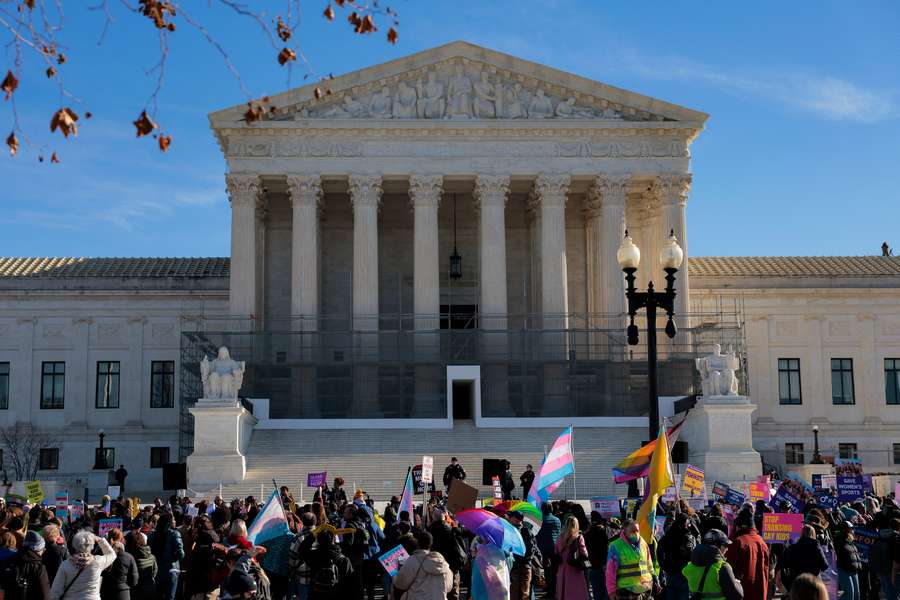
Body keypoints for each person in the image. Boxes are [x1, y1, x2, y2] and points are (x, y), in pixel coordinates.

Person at [50, 531, 117, 600]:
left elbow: (56, 590)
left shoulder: (65, 565)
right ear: (92, 546)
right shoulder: (97, 562)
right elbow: (112, 555)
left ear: (74, 545)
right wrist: (100, 540)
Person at [683, 529, 743, 600]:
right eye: (725, 545)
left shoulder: (689, 566)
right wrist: (737, 582)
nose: (727, 549)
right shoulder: (722, 567)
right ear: (717, 546)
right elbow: (738, 595)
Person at [392, 531, 453, 600]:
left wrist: (394, 575)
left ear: (417, 543)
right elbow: (448, 587)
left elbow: (400, 584)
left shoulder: (412, 560)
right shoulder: (442, 563)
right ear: (431, 543)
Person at [725, 506, 770, 600]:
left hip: (743, 593)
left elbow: (727, 570)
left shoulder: (738, 542)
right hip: (760, 593)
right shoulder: (762, 541)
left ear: (738, 526)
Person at [606, 520, 658, 600]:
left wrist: (655, 578)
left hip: (645, 590)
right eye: (633, 531)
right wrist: (611, 591)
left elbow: (649, 564)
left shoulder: (643, 543)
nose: (636, 533)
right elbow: (610, 571)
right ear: (624, 532)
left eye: (637, 531)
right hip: (626, 591)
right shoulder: (615, 546)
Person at [302, 530, 355, 600]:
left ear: (318, 540)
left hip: (316, 595)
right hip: (337, 595)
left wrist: (313, 535)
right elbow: (351, 584)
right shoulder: (344, 560)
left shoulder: (314, 556)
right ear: (334, 540)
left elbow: (302, 550)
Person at [0, 529, 51, 600]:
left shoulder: (8, 561)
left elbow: (2, 589)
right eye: (43, 549)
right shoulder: (39, 568)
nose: (43, 551)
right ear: (37, 549)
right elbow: (45, 596)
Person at [658, 513, 697, 600]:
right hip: (683, 573)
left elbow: (659, 552)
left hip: (671, 573)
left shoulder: (667, 535)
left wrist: (664, 566)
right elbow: (691, 555)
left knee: (671, 595)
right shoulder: (687, 537)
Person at [147, 512, 185, 600]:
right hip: (171, 570)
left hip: (156, 570)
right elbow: (181, 554)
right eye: (173, 520)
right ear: (169, 523)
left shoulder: (152, 534)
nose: (175, 521)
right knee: (170, 597)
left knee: (158, 596)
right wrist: (173, 556)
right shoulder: (175, 534)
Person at [781, 525, 828, 589]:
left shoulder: (793, 547)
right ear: (813, 534)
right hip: (812, 582)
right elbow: (824, 566)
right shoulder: (816, 546)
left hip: (797, 582)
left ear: (801, 534)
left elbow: (786, 564)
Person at [555, 515, 590, 600]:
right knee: (576, 593)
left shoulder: (560, 537)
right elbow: (584, 553)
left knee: (563, 592)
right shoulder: (578, 537)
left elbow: (556, 552)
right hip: (575, 568)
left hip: (562, 568)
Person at [100, 529, 139, 600]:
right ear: (121, 539)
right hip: (123, 593)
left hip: (106, 592)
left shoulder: (102, 555)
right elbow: (134, 581)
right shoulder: (128, 557)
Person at [507, 511, 535, 600]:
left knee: (514, 594)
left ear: (515, 519)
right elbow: (534, 548)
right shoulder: (528, 530)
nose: (508, 518)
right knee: (525, 594)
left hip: (515, 567)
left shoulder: (510, 532)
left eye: (510, 517)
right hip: (527, 565)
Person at [536, 502, 561, 598]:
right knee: (555, 571)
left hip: (544, 548)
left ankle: (550, 589)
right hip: (555, 548)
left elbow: (538, 534)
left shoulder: (541, 520)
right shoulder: (557, 520)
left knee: (547, 570)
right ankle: (555, 590)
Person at [584, 512, 610, 600]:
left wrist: (588, 566)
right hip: (604, 565)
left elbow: (584, 553)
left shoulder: (586, 535)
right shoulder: (604, 533)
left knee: (596, 591)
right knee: (606, 590)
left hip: (593, 566)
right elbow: (607, 548)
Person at [834, 522, 862, 600]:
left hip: (853, 570)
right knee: (849, 594)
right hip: (844, 569)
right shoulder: (838, 539)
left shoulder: (850, 539)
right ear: (845, 530)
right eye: (851, 528)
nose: (853, 530)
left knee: (856, 595)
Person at [127, 532, 157, 600]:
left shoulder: (132, 558)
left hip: (137, 591)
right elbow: (154, 572)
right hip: (151, 588)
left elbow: (131, 577)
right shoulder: (152, 557)